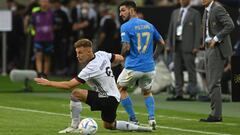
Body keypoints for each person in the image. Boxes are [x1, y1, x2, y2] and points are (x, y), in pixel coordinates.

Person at [34, 39, 152, 133]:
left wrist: (49, 83)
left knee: (75, 94)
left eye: (80, 52)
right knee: (109, 125)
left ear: (89, 52)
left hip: (107, 97)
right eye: (76, 53)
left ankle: (74, 126)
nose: (77, 56)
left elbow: (69, 85)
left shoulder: (90, 68)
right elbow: (120, 58)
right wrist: (110, 67)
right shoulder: (102, 54)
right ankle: (141, 128)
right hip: (115, 98)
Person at [118, 0, 165, 129]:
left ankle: (133, 119)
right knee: (147, 92)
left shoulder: (126, 26)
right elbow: (161, 42)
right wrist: (152, 57)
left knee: (120, 89)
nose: (120, 14)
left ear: (132, 10)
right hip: (149, 67)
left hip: (133, 66)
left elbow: (126, 46)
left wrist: (121, 57)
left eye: (123, 10)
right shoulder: (149, 25)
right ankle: (152, 118)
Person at [200, 0, 235, 122]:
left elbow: (230, 25)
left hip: (217, 48)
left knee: (214, 82)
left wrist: (216, 38)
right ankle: (215, 113)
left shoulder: (217, 8)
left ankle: (216, 115)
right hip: (208, 47)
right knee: (211, 82)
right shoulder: (206, 10)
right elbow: (206, 29)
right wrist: (203, 42)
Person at [166, 0, 201, 101]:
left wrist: (196, 46)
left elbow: (198, 31)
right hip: (176, 45)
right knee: (177, 69)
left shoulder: (195, 13)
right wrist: (169, 43)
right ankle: (179, 93)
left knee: (191, 69)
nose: (181, 0)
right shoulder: (175, 12)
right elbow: (171, 29)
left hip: (189, 45)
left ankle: (192, 92)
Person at [31, 0, 54, 77]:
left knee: (47, 57)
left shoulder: (51, 13)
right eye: (43, 1)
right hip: (38, 38)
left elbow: (55, 25)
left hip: (49, 39)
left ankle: (45, 74)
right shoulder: (35, 13)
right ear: (40, 3)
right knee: (39, 55)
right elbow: (32, 24)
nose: (44, 3)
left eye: (46, 1)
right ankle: (39, 73)